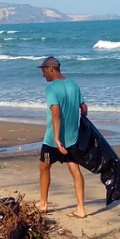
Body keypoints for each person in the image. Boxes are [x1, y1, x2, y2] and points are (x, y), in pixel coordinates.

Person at [36, 56, 88, 218]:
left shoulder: (51, 88)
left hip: (53, 139)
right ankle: (81, 208)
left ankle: (43, 204)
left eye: (44, 70)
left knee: (44, 167)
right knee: (75, 169)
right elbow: (84, 109)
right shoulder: (73, 84)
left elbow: (56, 113)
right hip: (72, 137)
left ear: (51, 69)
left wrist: (57, 139)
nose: (43, 74)